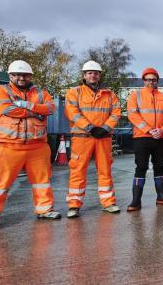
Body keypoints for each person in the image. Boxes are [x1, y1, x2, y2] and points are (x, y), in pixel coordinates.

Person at [0, 60, 60, 231]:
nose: (21, 77)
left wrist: (27, 106)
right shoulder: (0, 91)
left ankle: (44, 209)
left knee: (42, 182)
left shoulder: (41, 92)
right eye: (17, 75)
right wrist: (35, 112)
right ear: (10, 76)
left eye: (25, 75)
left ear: (30, 76)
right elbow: (7, 110)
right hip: (7, 145)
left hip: (37, 146)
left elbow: (50, 109)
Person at [64, 60, 122, 218]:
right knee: (78, 171)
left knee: (105, 170)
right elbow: (72, 112)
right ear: (84, 75)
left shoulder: (109, 94)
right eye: (89, 73)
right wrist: (90, 128)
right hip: (82, 137)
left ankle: (108, 202)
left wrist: (105, 128)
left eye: (96, 73)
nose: (93, 75)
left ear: (100, 75)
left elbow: (116, 112)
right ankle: (74, 205)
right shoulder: (74, 92)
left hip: (103, 137)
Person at [126, 67, 163, 211]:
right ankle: (136, 200)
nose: (151, 82)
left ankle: (161, 196)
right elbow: (132, 114)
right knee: (141, 167)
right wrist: (148, 129)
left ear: (157, 80)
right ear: (144, 80)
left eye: (153, 80)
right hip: (142, 137)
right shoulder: (136, 95)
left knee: (159, 167)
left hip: (159, 137)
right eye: (148, 80)